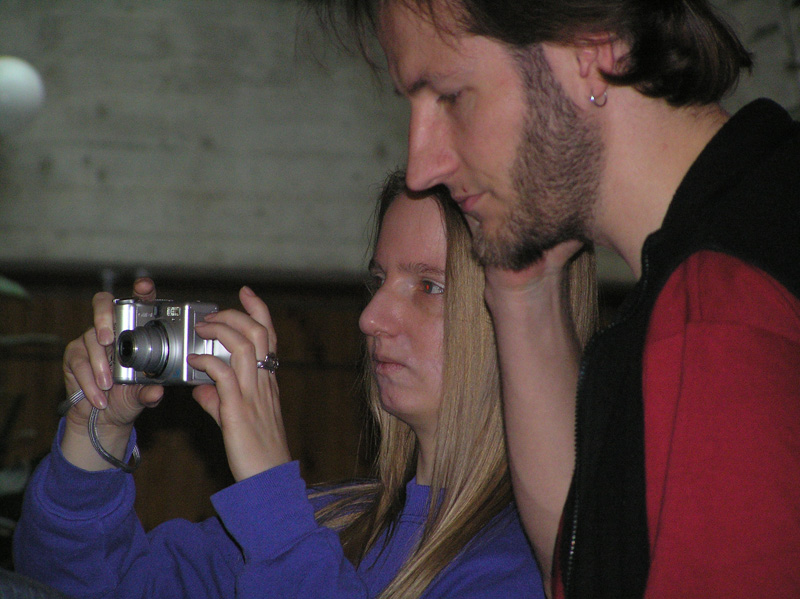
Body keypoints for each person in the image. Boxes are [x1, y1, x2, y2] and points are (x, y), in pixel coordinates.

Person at [313, 1, 800, 598]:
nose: (422, 166)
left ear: (589, 54)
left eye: (452, 97)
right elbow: (583, 566)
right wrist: (522, 287)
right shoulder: (715, 252)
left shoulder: (723, 310)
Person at [12, 171, 596, 598]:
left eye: (429, 286)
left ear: (519, 313)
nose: (371, 318)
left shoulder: (537, 564)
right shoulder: (334, 522)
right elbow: (82, 587)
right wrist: (98, 429)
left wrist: (271, 494)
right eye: (379, 280)